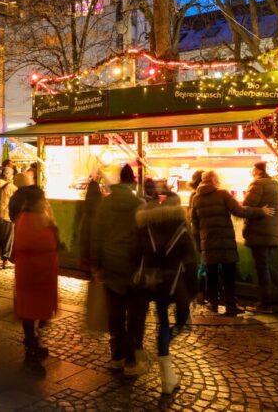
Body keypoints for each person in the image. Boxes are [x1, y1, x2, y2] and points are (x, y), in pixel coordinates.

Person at [135, 195, 198, 394]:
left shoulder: (147, 228)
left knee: (163, 322)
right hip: (177, 287)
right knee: (181, 324)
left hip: (155, 284)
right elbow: (191, 264)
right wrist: (194, 291)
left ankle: (167, 378)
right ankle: (167, 375)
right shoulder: (182, 231)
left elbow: (138, 255)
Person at [91, 163, 148, 377]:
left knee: (115, 312)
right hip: (134, 266)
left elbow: (97, 234)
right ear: (132, 182)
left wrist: (96, 264)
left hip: (111, 264)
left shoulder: (105, 204)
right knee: (135, 314)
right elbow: (144, 237)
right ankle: (132, 360)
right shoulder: (139, 204)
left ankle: (116, 357)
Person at [190, 170, 272, 317]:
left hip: (207, 243)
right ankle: (231, 306)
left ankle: (213, 304)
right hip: (225, 242)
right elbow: (239, 211)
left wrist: (199, 245)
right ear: (215, 180)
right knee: (229, 275)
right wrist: (260, 211)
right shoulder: (222, 194)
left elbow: (194, 224)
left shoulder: (196, 198)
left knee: (211, 275)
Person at [12, 187, 58, 374]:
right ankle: (31, 352)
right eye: (42, 198)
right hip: (32, 277)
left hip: (42, 277)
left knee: (40, 314)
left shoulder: (40, 216)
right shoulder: (26, 219)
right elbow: (34, 243)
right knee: (30, 315)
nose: (45, 201)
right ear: (35, 201)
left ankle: (33, 344)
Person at [243, 162, 278, 313]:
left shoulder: (258, 184)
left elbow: (246, 206)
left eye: (253, 168)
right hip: (270, 232)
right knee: (265, 266)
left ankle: (267, 304)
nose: (251, 171)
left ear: (258, 170)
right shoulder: (273, 184)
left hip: (260, 231)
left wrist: (255, 210)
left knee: (262, 268)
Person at [0, 174, 18, 269]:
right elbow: (18, 200)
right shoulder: (11, 187)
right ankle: (5, 261)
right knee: (8, 239)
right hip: (6, 217)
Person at [77, 173, 103, 272]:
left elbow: (82, 237)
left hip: (87, 257)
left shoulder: (86, 214)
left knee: (90, 279)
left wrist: (83, 256)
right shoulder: (100, 213)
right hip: (97, 258)